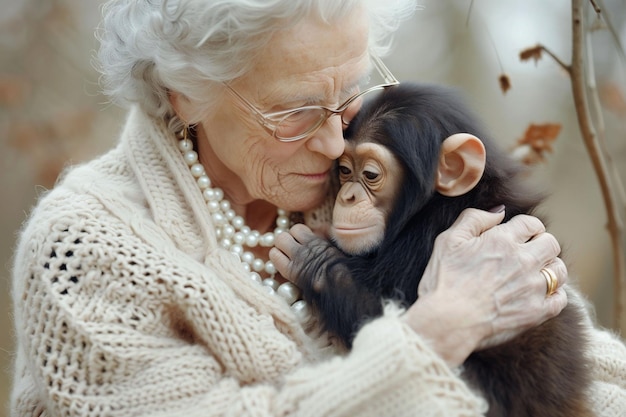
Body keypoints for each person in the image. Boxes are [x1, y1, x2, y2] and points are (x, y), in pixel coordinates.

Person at [10, 1, 625, 416]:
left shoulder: (373, 171)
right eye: (296, 111)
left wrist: (529, 292)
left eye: (350, 91)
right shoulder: (81, 247)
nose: (335, 141)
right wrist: (439, 330)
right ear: (187, 93)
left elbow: (592, 377)